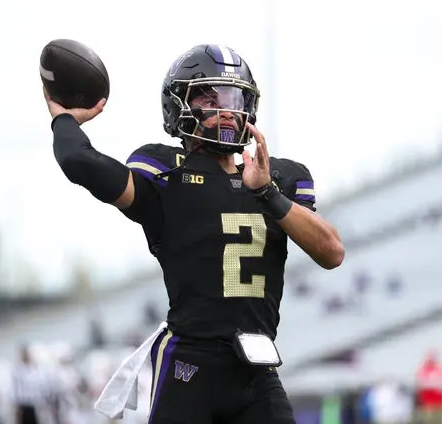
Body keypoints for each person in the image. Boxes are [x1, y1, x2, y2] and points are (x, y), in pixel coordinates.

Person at [45, 43, 344, 424]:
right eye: (209, 97)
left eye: (234, 98)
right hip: (190, 365)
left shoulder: (283, 178)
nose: (226, 110)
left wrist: (266, 192)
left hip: (256, 369)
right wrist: (64, 120)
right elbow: (79, 162)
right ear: (178, 106)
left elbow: (331, 252)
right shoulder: (165, 171)